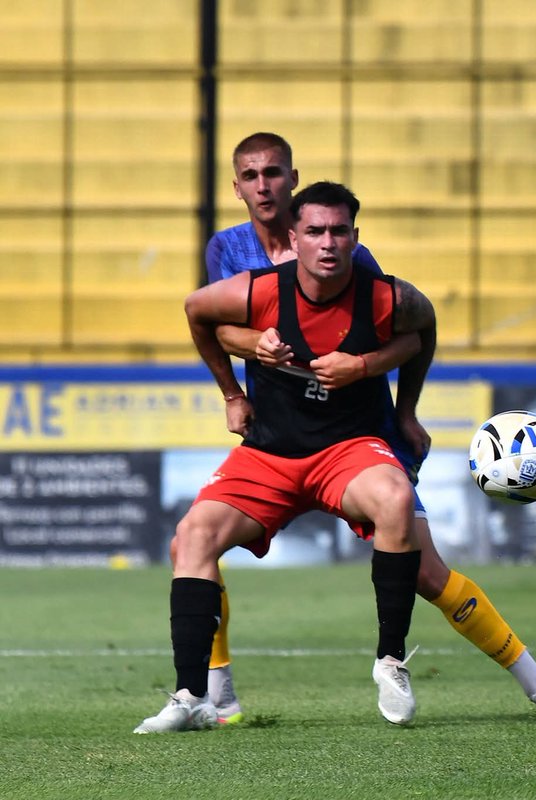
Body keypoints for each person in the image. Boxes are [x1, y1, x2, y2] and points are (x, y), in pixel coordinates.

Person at [198, 133, 536, 725]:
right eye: (250, 176)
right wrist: (244, 371)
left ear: (293, 180)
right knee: (196, 543)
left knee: (428, 573)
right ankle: (217, 695)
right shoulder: (227, 250)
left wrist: (399, 406)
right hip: (281, 439)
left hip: (357, 435)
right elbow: (218, 325)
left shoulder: (346, 255)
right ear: (236, 187)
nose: (263, 186)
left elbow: (403, 331)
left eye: (273, 173)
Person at [136, 181, 428, 732]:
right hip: (269, 454)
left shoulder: (385, 296)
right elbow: (196, 311)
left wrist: (391, 396)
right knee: (193, 535)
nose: (327, 243)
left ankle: (390, 661)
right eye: (315, 231)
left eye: (338, 231)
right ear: (294, 238)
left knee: (394, 498)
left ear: (355, 237)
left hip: (345, 450)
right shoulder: (262, 291)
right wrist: (232, 392)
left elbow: (423, 329)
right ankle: (192, 696)